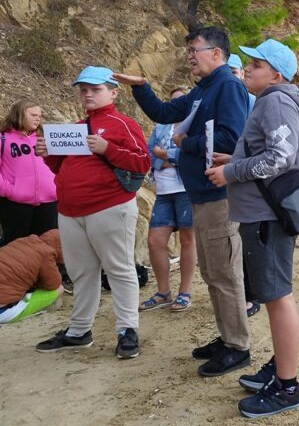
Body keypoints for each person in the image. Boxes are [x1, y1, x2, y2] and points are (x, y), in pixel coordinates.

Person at [113, 25, 251, 378]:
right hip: (201, 195)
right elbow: (163, 112)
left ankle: (238, 346)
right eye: (188, 49)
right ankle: (227, 338)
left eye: (196, 49)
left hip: (219, 197)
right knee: (212, 271)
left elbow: (228, 140)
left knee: (224, 273)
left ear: (216, 54)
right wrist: (141, 87)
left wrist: (181, 143)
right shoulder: (203, 89)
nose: (189, 55)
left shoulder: (229, 86)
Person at [205, 38, 299, 418]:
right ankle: (281, 367)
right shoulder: (273, 100)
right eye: (248, 63)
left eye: (256, 64)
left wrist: (230, 171)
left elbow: (280, 158)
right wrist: (237, 157)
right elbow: (275, 152)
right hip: (261, 214)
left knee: (278, 298)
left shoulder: (277, 100)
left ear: (276, 74)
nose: (246, 68)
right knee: (275, 296)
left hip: (265, 217)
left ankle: (288, 385)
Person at [35, 66, 150, 359]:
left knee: (120, 269)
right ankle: (78, 331)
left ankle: (127, 331)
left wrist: (108, 148)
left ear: (113, 92)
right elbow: (65, 168)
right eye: (84, 89)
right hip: (71, 211)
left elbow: (141, 162)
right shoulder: (75, 127)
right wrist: (49, 156)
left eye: (95, 89)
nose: (88, 94)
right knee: (81, 273)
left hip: (110, 206)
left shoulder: (121, 123)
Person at [139, 87, 196, 313]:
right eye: (172, 101)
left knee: (187, 240)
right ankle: (163, 292)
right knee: (155, 241)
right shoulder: (162, 126)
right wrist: (167, 159)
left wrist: (166, 156)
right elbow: (149, 152)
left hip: (185, 189)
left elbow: (196, 154)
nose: (175, 104)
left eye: (180, 101)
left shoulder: (194, 126)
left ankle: (185, 292)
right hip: (163, 191)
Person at [0, 99, 57, 244]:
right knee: (16, 248)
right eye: (33, 115)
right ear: (19, 114)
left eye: (39, 115)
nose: (38, 118)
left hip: (49, 203)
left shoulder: (44, 139)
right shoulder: (3, 139)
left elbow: (59, 164)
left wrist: (56, 188)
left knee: (46, 247)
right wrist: (10, 190)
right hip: (15, 204)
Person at [228, 54, 260, 317]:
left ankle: (251, 296)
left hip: (243, 182)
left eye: (234, 70)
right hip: (228, 178)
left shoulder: (254, 102)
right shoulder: (219, 98)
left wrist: (232, 166)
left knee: (245, 242)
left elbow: (269, 155)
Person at [0, 229, 63, 323]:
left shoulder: (23, 241)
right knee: (59, 289)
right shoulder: (47, 253)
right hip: (3, 312)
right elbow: (53, 284)